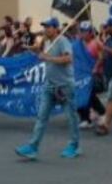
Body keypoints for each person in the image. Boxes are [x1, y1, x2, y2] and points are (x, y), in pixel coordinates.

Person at [15, 18, 80, 160]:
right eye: (44, 27)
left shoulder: (62, 41)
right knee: (42, 116)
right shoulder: (47, 41)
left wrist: (48, 58)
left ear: (56, 28)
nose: (45, 29)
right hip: (49, 84)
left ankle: (74, 145)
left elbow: (68, 59)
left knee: (71, 117)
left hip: (64, 85)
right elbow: (41, 53)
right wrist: (33, 49)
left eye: (48, 27)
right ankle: (33, 147)